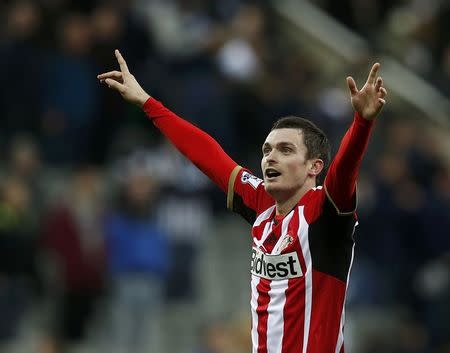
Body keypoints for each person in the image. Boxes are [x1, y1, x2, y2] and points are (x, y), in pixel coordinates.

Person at [98, 49, 387, 353]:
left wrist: (362, 124)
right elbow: (208, 154)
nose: (271, 157)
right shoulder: (261, 202)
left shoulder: (324, 214)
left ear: (314, 166)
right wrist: (147, 102)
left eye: (285, 150)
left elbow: (343, 173)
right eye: (267, 150)